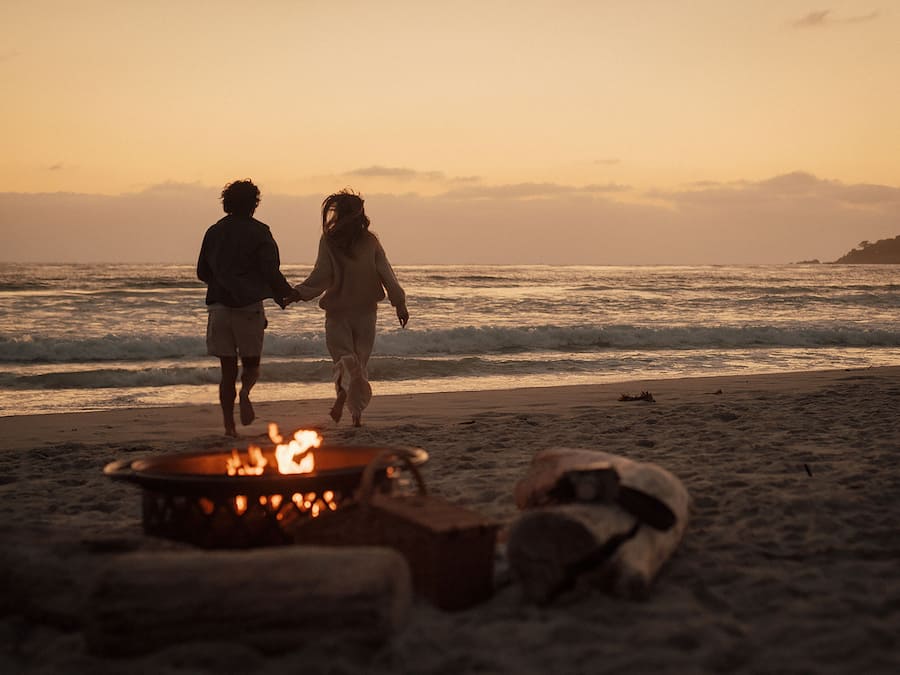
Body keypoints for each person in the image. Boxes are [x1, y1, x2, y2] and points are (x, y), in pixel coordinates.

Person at [294, 190, 408, 426]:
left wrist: (299, 293)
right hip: (366, 313)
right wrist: (400, 303)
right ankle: (356, 417)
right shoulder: (370, 241)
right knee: (360, 363)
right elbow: (386, 274)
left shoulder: (329, 240)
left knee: (344, 360)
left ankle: (342, 397)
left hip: (337, 313)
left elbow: (322, 276)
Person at [197, 179, 299, 436]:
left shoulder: (213, 231)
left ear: (227, 203)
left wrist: (223, 283)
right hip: (249, 308)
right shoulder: (260, 232)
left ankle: (229, 427)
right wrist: (286, 294)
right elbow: (270, 271)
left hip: (218, 308)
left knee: (227, 372)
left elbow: (202, 272)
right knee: (251, 366)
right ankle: (245, 393)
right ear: (254, 204)